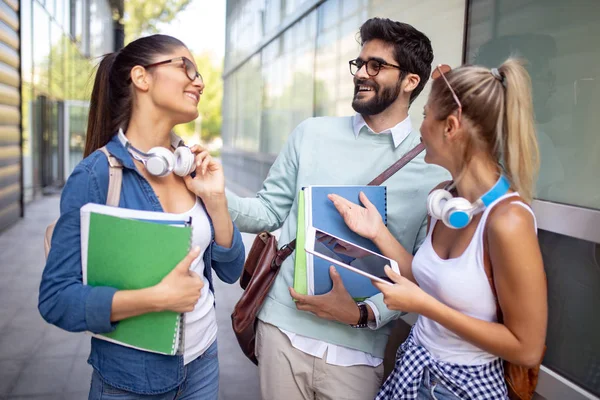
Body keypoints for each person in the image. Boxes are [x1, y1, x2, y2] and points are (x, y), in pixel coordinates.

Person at [223, 18, 449, 400]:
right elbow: (267, 212)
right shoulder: (311, 133)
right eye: (359, 64)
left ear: (411, 81)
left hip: (358, 353)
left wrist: (364, 314)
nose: (361, 73)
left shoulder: (433, 169)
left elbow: (423, 271)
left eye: (376, 66)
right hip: (282, 333)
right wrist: (215, 194)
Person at [38, 34, 245, 399]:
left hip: (203, 362)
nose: (199, 80)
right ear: (142, 77)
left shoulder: (190, 168)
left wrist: (215, 200)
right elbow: (57, 299)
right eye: (186, 67)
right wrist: (158, 298)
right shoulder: (97, 175)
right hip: (131, 381)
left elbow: (231, 270)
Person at [328, 59, 548, 399]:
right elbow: (427, 281)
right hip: (413, 371)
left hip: (462, 388)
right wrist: (376, 234)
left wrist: (423, 306)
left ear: (450, 126)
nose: (421, 126)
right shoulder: (443, 199)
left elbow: (527, 349)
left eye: (427, 114)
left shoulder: (508, 222)